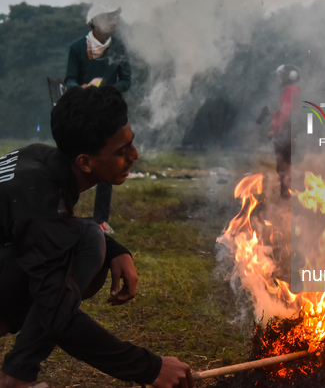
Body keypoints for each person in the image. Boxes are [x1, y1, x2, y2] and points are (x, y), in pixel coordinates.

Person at [0, 86, 193, 387]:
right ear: (85, 162)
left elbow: (51, 228)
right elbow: (57, 314)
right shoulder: (39, 202)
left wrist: (115, 249)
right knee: (88, 239)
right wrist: (150, 368)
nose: (135, 155)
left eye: (131, 142)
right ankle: (17, 378)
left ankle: (17, 373)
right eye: (121, 151)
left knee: (91, 237)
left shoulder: (37, 160)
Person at [64, 4, 132, 234]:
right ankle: (64, 213)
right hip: (82, 113)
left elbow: (127, 80)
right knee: (71, 163)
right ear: (95, 22)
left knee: (107, 162)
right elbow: (70, 79)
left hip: (109, 114)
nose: (114, 22)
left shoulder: (119, 48)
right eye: (109, 18)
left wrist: (107, 89)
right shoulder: (77, 48)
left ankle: (101, 219)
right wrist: (81, 89)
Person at [267, 64, 301, 199]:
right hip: (291, 133)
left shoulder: (289, 91)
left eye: (280, 76)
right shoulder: (295, 90)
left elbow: (286, 114)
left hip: (284, 134)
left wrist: (275, 131)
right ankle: (287, 193)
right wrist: (273, 113)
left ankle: (285, 194)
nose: (279, 79)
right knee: (287, 165)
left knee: (282, 166)